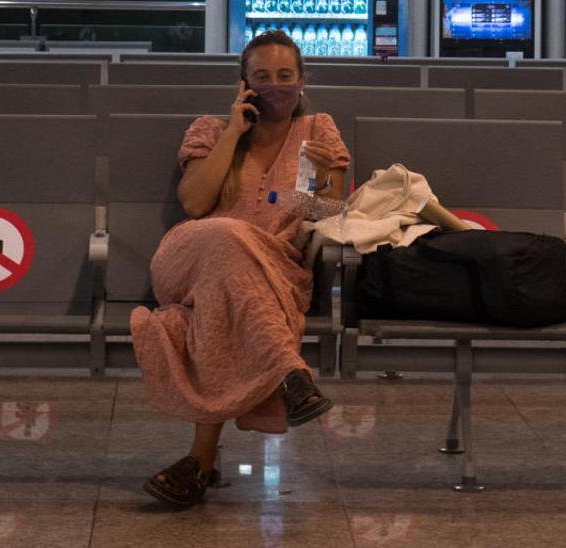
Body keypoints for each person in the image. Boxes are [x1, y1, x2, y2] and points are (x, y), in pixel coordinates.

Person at [132, 30, 350, 509]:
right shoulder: (210, 130)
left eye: (285, 76)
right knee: (225, 235)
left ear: (302, 79)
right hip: (189, 257)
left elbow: (327, 213)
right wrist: (234, 132)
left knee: (221, 305)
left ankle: (198, 463)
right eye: (262, 77)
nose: (275, 86)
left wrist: (325, 176)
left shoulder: (319, 130)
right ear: (243, 84)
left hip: (273, 269)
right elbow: (195, 203)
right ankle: (287, 371)